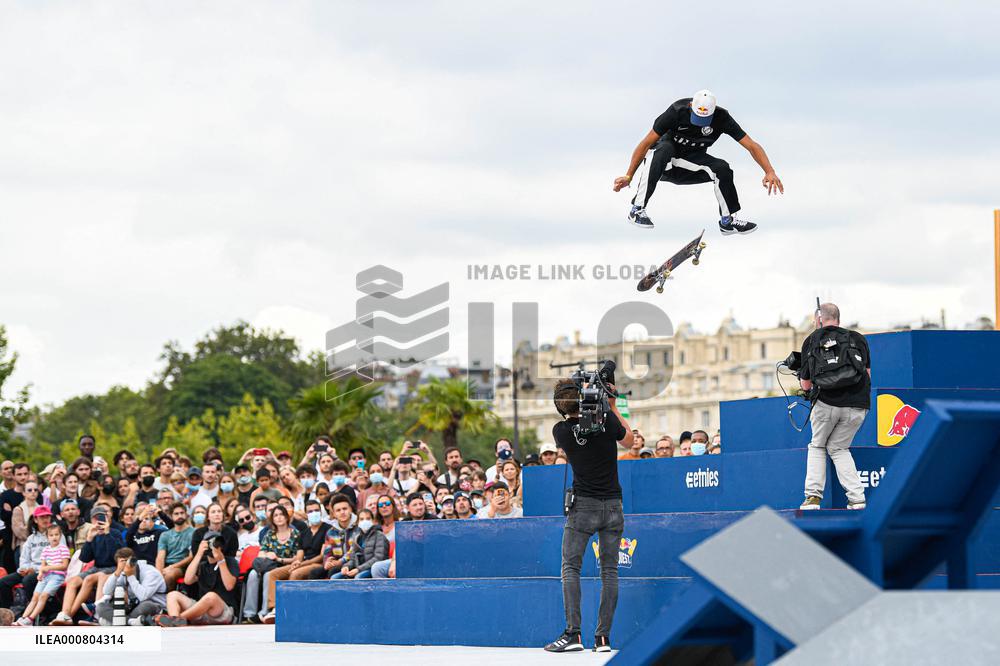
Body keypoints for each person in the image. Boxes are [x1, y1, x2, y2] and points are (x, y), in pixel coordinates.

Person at [613, 89, 783, 233]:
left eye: (704, 120)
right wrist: (629, 175)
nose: (700, 124)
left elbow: (752, 145)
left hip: (690, 165)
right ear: (691, 106)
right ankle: (637, 209)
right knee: (663, 148)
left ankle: (728, 221)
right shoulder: (676, 111)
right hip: (664, 164)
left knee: (722, 168)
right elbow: (645, 144)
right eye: (697, 118)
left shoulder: (722, 118)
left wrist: (769, 171)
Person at [545, 373, 632, 654]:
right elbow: (629, 441)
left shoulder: (560, 431)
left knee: (571, 568)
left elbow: (577, 422)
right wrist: (612, 404)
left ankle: (573, 633)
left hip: (583, 506)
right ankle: (603, 638)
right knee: (609, 570)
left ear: (560, 407)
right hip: (613, 506)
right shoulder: (607, 421)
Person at [799, 303, 871, 511]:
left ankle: (813, 498)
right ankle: (857, 500)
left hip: (826, 402)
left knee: (818, 446)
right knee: (839, 448)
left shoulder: (812, 339)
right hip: (858, 405)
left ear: (819, 319)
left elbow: (806, 384)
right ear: (837, 318)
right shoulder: (858, 339)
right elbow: (866, 375)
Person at [51, 505, 125, 625]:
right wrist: (89, 539)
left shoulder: (115, 533)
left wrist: (107, 533)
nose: (99, 521)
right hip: (97, 567)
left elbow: (117, 556)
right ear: (92, 521)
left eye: (102, 517)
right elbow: (84, 558)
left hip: (112, 567)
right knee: (73, 581)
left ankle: (97, 616)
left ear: (108, 519)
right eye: (96, 518)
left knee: (95, 577)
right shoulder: (93, 534)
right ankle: (66, 615)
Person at [156, 533, 239, 627]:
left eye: (218, 544)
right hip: (200, 611)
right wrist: (199, 554)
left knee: (211, 596)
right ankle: (176, 621)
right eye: (212, 544)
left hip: (222, 612)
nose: (215, 547)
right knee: (172, 595)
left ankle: (176, 620)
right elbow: (188, 580)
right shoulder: (202, 565)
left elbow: (229, 586)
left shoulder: (230, 561)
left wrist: (221, 560)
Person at [242, 505, 299, 624]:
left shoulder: (295, 534)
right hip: (268, 563)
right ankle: (249, 614)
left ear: (286, 516)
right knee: (252, 574)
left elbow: (297, 558)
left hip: (284, 565)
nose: (279, 518)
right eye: (275, 515)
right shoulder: (270, 534)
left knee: (269, 575)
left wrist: (279, 558)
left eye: (281, 514)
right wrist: (269, 555)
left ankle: (264, 612)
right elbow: (261, 552)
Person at [95, 548, 167, 626]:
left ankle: (114, 622)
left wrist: (130, 575)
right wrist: (117, 572)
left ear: (135, 560)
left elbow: (143, 596)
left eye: (128, 561)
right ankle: (130, 622)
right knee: (100, 607)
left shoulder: (151, 572)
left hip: (154, 606)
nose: (126, 564)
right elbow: (107, 591)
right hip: (133, 608)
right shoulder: (123, 573)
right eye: (122, 562)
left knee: (146, 605)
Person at [0, 505, 51, 612]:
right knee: (3, 582)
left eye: (47, 516)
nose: (45, 519)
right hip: (29, 570)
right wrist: (25, 569)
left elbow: (57, 559)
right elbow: (24, 559)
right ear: (36, 520)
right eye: (42, 517)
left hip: (47, 571)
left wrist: (34, 569)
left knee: (27, 580)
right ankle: (7, 612)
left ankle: (36, 611)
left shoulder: (56, 535)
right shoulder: (31, 538)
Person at [17, 523, 70, 625]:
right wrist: (40, 573)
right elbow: (43, 565)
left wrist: (48, 568)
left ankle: (30, 619)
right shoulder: (46, 550)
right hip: (46, 576)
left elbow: (64, 565)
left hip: (57, 576)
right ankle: (23, 618)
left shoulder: (63, 548)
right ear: (47, 537)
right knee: (35, 597)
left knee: (43, 596)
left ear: (60, 535)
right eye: (51, 535)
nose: (54, 537)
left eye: (56, 534)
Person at [332, 509, 389, 580]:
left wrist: (358, 569)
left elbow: (378, 558)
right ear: (358, 522)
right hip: (358, 568)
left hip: (371, 569)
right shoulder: (357, 537)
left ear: (373, 521)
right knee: (335, 577)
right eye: (361, 519)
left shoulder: (379, 535)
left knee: (359, 577)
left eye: (368, 519)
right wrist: (346, 567)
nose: (365, 521)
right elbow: (352, 558)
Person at [156, 502, 194, 591]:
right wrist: (159, 573)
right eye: (176, 514)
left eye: (182, 513)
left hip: (183, 567)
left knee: (170, 575)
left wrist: (172, 567)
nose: (179, 516)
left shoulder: (194, 533)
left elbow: (191, 557)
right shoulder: (165, 535)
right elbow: (160, 557)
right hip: (167, 565)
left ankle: (169, 600)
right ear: (171, 516)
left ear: (186, 514)